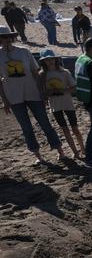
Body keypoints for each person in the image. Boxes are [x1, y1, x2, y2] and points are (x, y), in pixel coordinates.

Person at [0, 28, 69, 163]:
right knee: (26, 127)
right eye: (3, 37)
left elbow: (35, 73)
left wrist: (42, 91)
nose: (7, 39)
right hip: (13, 96)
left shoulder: (24, 52)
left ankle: (60, 151)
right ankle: (38, 155)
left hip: (33, 93)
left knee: (45, 123)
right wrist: (4, 100)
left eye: (8, 36)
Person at [38, 49, 83, 157]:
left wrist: (62, 90)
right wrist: (49, 93)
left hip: (68, 104)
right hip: (55, 106)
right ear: (43, 62)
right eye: (47, 60)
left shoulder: (64, 72)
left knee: (75, 128)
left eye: (51, 59)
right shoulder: (42, 75)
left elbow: (74, 88)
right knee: (65, 129)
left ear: (55, 59)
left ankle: (83, 149)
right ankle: (75, 152)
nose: (50, 61)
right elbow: (42, 92)